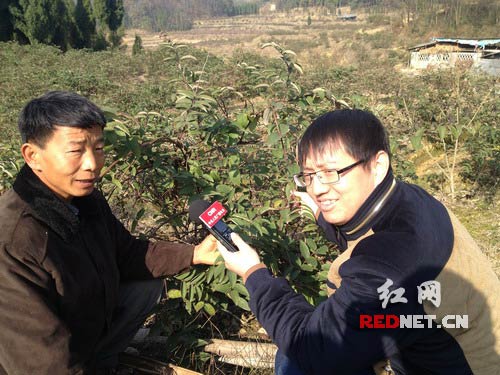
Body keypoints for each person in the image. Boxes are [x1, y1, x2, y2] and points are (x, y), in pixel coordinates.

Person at [215, 109, 500, 374]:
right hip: (454, 345)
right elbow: (364, 231)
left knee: (297, 360)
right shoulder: (407, 200)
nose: (316, 188)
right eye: (309, 176)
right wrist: (321, 212)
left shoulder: (392, 263)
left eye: (331, 173)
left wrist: (253, 273)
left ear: (377, 166)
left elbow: (317, 347)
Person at [0, 91, 219, 374]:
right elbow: (40, 361)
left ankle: (101, 362)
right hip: (37, 360)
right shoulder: (14, 241)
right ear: (33, 156)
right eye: (76, 151)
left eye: (99, 148)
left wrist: (194, 253)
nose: (92, 164)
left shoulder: (83, 200)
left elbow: (128, 254)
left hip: (81, 333)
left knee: (146, 284)